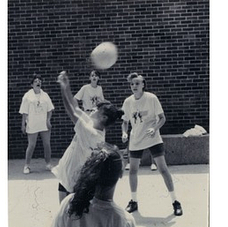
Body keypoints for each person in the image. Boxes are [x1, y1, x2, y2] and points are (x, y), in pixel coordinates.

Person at [52, 71, 124, 202]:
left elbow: (70, 111)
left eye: (97, 110)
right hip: (67, 173)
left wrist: (63, 89)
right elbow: (76, 107)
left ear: (103, 117)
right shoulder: (93, 124)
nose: (93, 110)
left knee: (69, 214)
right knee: (64, 212)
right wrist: (67, 86)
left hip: (73, 178)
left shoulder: (92, 134)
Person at [121, 72, 183, 216]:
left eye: (137, 83)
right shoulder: (128, 102)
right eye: (132, 84)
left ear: (143, 84)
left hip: (152, 138)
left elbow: (162, 118)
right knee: (133, 171)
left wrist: (154, 128)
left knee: (163, 169)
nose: (134, 86)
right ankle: (134, 201)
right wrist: (124, 133)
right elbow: (125, 122)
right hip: (136, 139)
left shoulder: (151, 98)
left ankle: (175, 202)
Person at [19, 73, 55, 174]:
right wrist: (23, 124)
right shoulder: (27, 96)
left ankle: (48, 164)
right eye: (35, 81)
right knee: (31, 145)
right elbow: (24, 112)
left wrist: (48, 120)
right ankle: (27, 165)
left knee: (47, 144)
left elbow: (50, 110)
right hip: (32, 124)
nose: (38, 82)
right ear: (32, 84)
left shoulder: (45, 95)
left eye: (39, 81)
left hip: (44, 124)